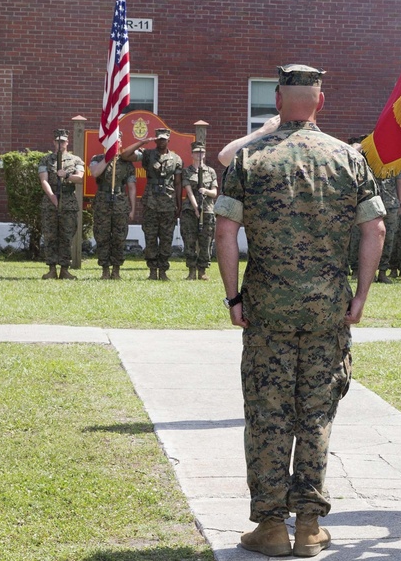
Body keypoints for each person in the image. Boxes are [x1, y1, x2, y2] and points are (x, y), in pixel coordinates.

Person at [215, 64, 386, 558]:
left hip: (267, 305)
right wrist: (361, 295)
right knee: (315, 413)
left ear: (277, 99)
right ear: (320, 101)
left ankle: (270, 525)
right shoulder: (348, 159)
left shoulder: (249, 159)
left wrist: (233, 296)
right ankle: (309, 525)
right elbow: (374, 229)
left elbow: (226, 232)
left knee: (268, 413)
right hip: (327, 307)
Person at [120, 128, 184, 280]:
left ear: (169, 140)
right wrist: (142, 142)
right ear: (155, 140)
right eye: (159, 139)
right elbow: (125, 155)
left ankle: (163, 271)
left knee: (166, 237)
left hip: (168, 202)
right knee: (150, 236)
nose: (161, 141)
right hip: (150, 202)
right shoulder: (147, 155)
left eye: (164, 139)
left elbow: (178, 183)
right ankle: (152, 271)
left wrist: (178, 203)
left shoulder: (176, 159)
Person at [37, 129, 85, 280]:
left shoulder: (76, 160)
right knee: (50, 235)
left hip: (68, 202)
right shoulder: (45, 160)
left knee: (67, 236)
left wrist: (67, 175)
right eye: (57, 141)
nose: (60, 144)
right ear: (53, 142)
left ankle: (65, 269)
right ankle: (51, 269)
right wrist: (52, 197)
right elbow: (43, 180)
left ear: (67, 142)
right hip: (50, 202)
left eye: (63, 141)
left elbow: (80, 178)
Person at [89, 150, 137, 279]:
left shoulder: (126, 163)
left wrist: (132, 208)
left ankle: (116, 270)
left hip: (120, 202)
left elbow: (131, 187)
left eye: (117, 141)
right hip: (102, 202)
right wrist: (107, 159)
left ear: (120, 144)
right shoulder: (97, 158)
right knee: (102, 236)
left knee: (119, 238)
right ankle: (105, 270)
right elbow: (95, 173)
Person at [180, 141, 219, 280]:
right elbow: (189, 191)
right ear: (192, 154)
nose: (199, 154)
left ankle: (202, 271)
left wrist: (206, 191)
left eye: (201, 152)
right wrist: (196, 208)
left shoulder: (211, 171)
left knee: (206, 240)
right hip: (191, 210)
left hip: (208, 210)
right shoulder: (187, 171)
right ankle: (191, 270)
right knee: (189, 239)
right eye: (196, 152)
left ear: (205, 154)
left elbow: (214, 193)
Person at [376, 168, 401, 283]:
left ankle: (382, 272)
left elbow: (399, 182)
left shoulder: (394, 163)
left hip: (391, 205)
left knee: (389, 240)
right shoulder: (370, 159)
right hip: (374, 204)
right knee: (372, 239)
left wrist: (399, 203)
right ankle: (370, 273)